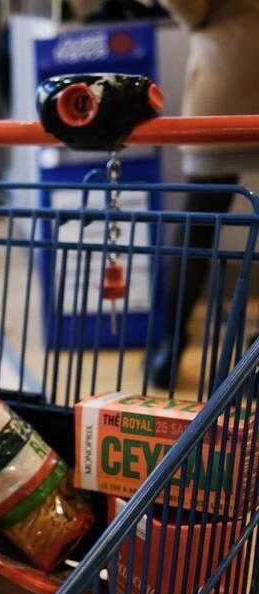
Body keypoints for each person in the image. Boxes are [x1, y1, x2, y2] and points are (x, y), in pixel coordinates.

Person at [150, 0, 259, 389]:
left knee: (198, 222)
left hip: (227, 75)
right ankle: (256, 355)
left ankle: (169, 347)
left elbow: (188, 6)